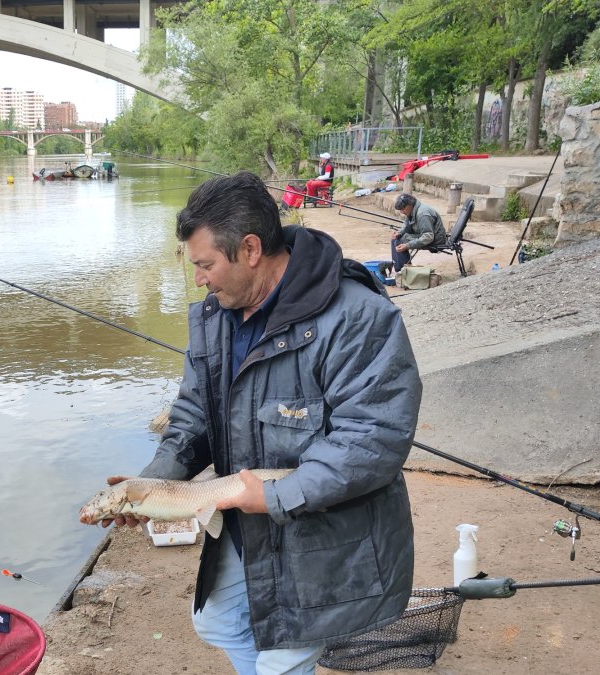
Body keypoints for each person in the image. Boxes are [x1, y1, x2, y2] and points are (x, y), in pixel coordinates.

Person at [97, 171, 420, 675]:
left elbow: (372, 440)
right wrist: (154, 483)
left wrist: (270, 497)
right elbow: (193, 413)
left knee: (282, 662)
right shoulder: (216, 315)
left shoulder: (359, 318)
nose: (199, 279)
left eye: (205, 264)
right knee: (218, 623)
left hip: (329, 538)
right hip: (251, 528)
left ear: (250, 249)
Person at [390, 193, 447, 273]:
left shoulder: (422, 214)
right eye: (400, 210)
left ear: (410, 205)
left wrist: (408, 245)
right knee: (396, 239)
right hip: (425, 235)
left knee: (400, 241)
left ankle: (404, 272)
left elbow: (428, 236)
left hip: (436, 239)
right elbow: (407, 226)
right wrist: (399, 233)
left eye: (403, 209)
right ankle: (400, 270)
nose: (402, 212)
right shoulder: (412, 210)